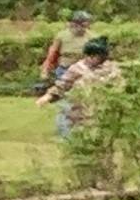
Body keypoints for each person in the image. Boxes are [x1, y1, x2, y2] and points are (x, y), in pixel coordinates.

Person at [34, 9, 98, 141]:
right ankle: (65, 133)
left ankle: (82, 130)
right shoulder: (62, 36)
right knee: (65, 101)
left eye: (85, 24)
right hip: (65, 71)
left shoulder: (92, 37)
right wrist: (45, 70)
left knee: (84, 102)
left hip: (84, 72)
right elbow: (53, 54)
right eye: (79, 24)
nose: (82, 28)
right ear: (73, 24)